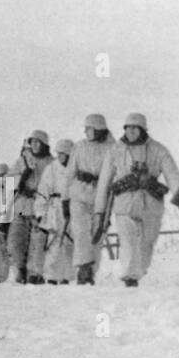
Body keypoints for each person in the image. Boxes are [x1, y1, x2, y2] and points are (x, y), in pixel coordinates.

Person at [93, 113, 179, 287]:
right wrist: (100, 209)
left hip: (151, 203)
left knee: (147, 243)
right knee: (128, 242)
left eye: (135, 128)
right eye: (128, 128)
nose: (131, 131)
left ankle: (137, 272)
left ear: (142, 129)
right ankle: (130, 278)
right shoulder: (116, 150)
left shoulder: (158, 149)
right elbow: (104, 182)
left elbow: (172, 174)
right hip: (125, 204)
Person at [67, 114, 117, 285]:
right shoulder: (79, 147)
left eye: (90, 129)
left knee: (97, 233)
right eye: (86, 129)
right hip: (79, 191)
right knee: (81, 230)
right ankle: (83, 267)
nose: (87, 132)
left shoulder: (112, 147)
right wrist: (65, 198)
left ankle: (90, 271)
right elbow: (70, 172)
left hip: (101, 195)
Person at [8, 131, 53, 284]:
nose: (34, 145)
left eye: (37, 142)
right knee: (15, 241)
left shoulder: (50, 162)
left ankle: (34, 273)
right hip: (21, 204)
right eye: (32, 142)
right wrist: (21, 179)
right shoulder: (23, 160)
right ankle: (20, 268)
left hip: (39, 204)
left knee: (37, 242)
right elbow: (10, 179)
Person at [37, 139, 74, 284]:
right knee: (53, 242)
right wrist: (40, 212)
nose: (60, 157)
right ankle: (51, 276)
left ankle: (67, 275)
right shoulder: (51, 169)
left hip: (71, 206)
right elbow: (42, 191)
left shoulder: (75, 168)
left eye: (63, 154)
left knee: (69, 241)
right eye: (59, 154)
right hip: (54, 207)